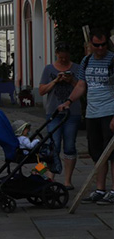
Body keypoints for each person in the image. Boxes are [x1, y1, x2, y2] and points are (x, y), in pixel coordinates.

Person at [58, 29, 114, 203]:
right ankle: (100, 189)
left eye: (103, 45)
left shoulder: (112, 60)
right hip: (92, 113)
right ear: (91, 44)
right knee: (96, 152)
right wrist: (69, 101)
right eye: (96, 45)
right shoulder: (87, 60)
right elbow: (81, 85)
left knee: (112, 153)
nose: (100, 48)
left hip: (110, 112)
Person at [39, 44, 82, 191]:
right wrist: (55, 81)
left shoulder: (77, 68)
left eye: (66, 57)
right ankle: (50, 177)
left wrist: (71, 80)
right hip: (54, 113)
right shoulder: (48, 69)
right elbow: (41, 91)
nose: (63, 60)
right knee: (54, 145)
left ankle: (67, 181)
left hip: (72, 112)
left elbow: (82, 88)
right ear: (56, 54)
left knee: (69, 146)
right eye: (61, 57)